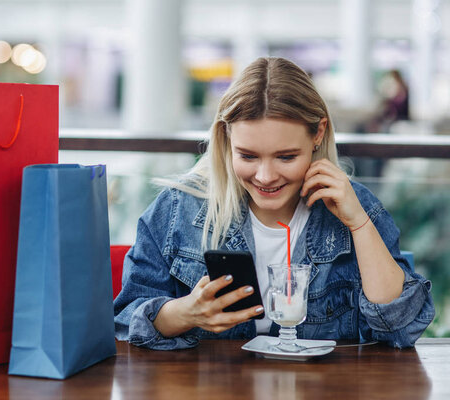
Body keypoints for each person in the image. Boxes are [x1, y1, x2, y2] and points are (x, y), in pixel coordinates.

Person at [114, 57, 434, 350]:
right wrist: (184, 313)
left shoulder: (356, 205)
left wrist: (360, 224)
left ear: (318, 134)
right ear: (226, 138)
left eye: (286, 157)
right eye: (248, 156)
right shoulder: (176, 209)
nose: (265, 176)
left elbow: (401, 330)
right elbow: (125, 320)